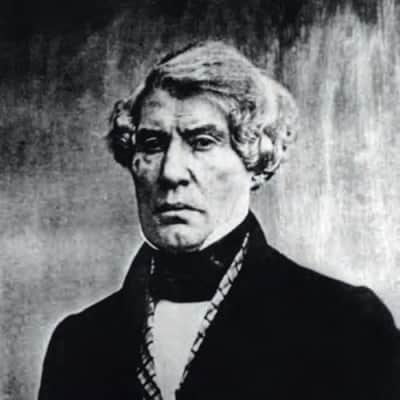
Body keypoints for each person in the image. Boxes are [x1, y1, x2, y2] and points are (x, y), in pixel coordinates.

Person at [38, 41, 400, 400]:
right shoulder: (79, 344)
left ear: (255, 159)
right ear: (132, 161)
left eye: (202, 142)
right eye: (152, 144)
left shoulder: (346, 325)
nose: (171, 172)